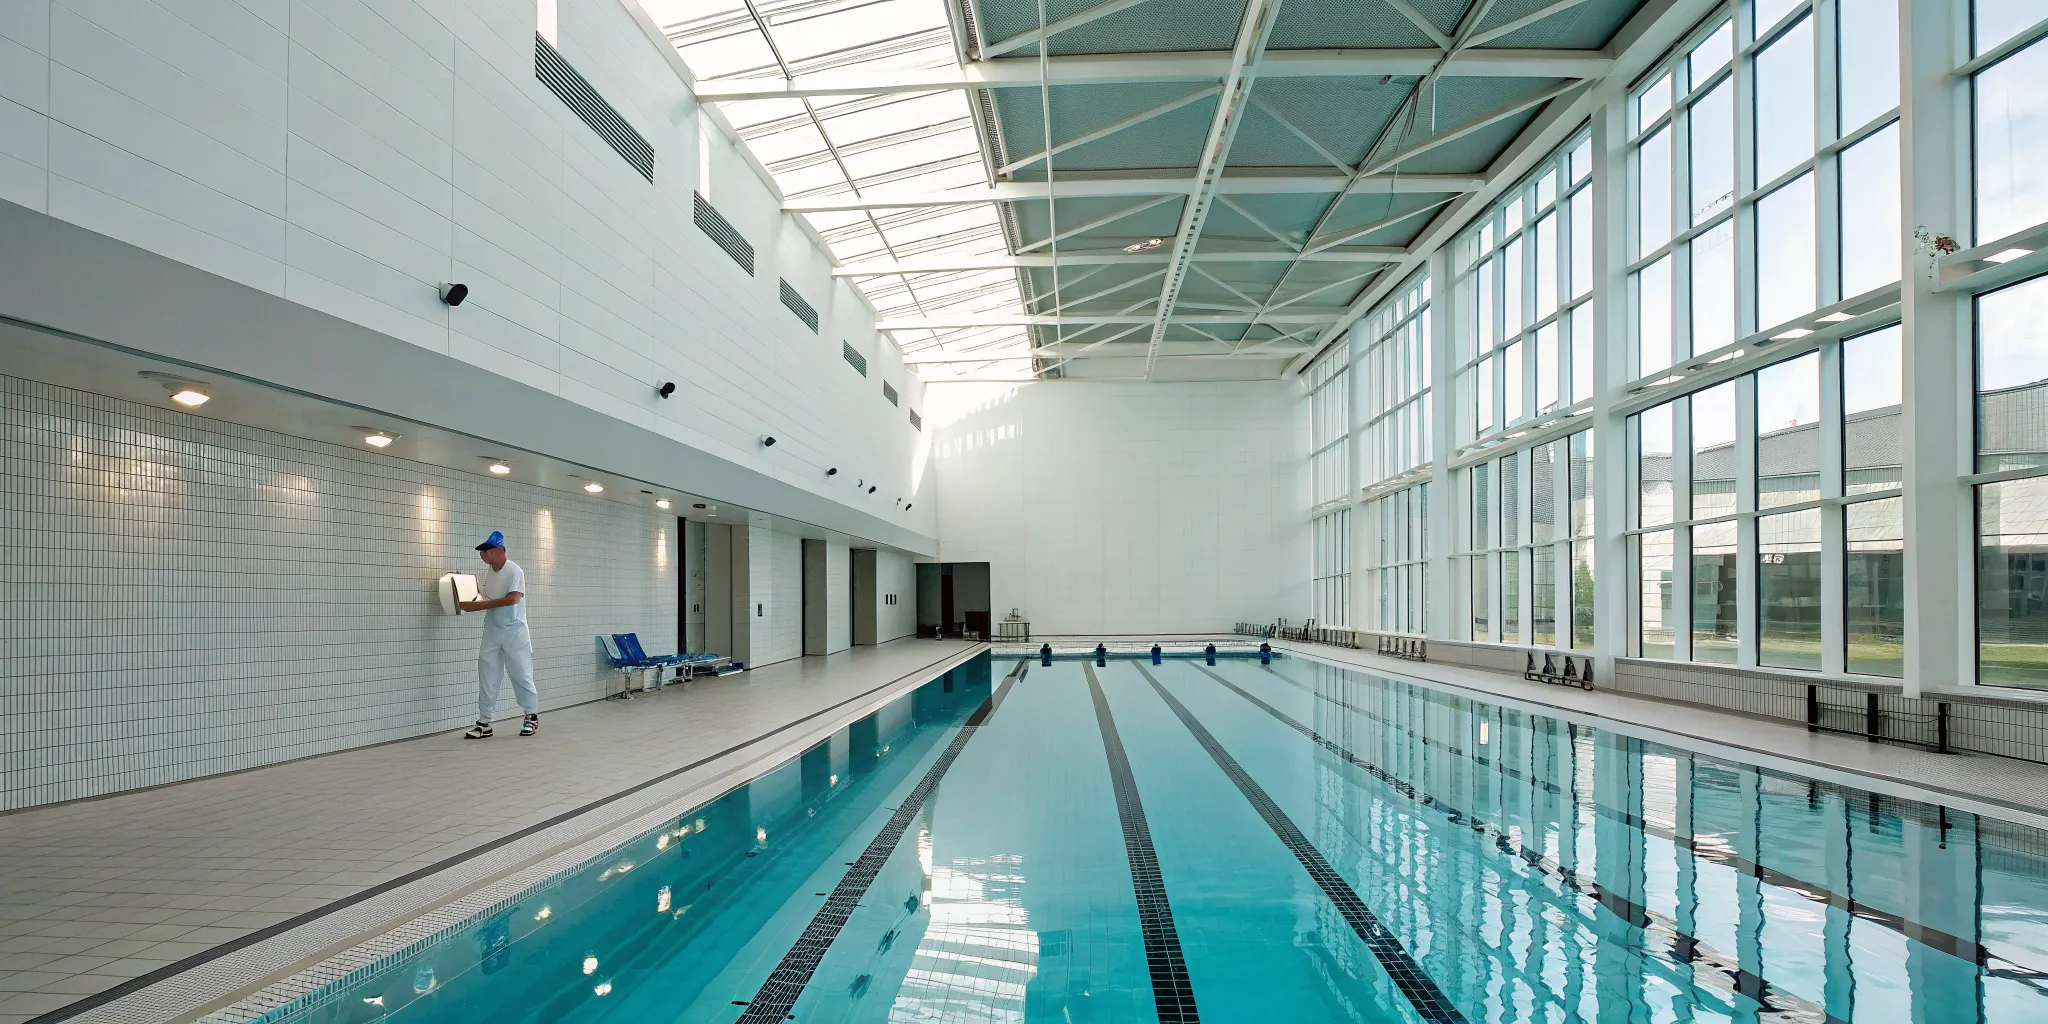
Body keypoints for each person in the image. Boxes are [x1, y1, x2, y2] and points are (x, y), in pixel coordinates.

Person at [460, 530, 539, 738]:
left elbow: (513, 599)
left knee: (521, 673)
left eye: (486, 551)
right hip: (492, 630)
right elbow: (488, 595)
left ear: (498, 550)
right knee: (487, 674)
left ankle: (531, 716)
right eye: (482, 552)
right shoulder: (491, 572)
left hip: (515, 631)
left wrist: (480, 605)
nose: (482, 555)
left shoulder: (514, 571)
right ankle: (484, 722)